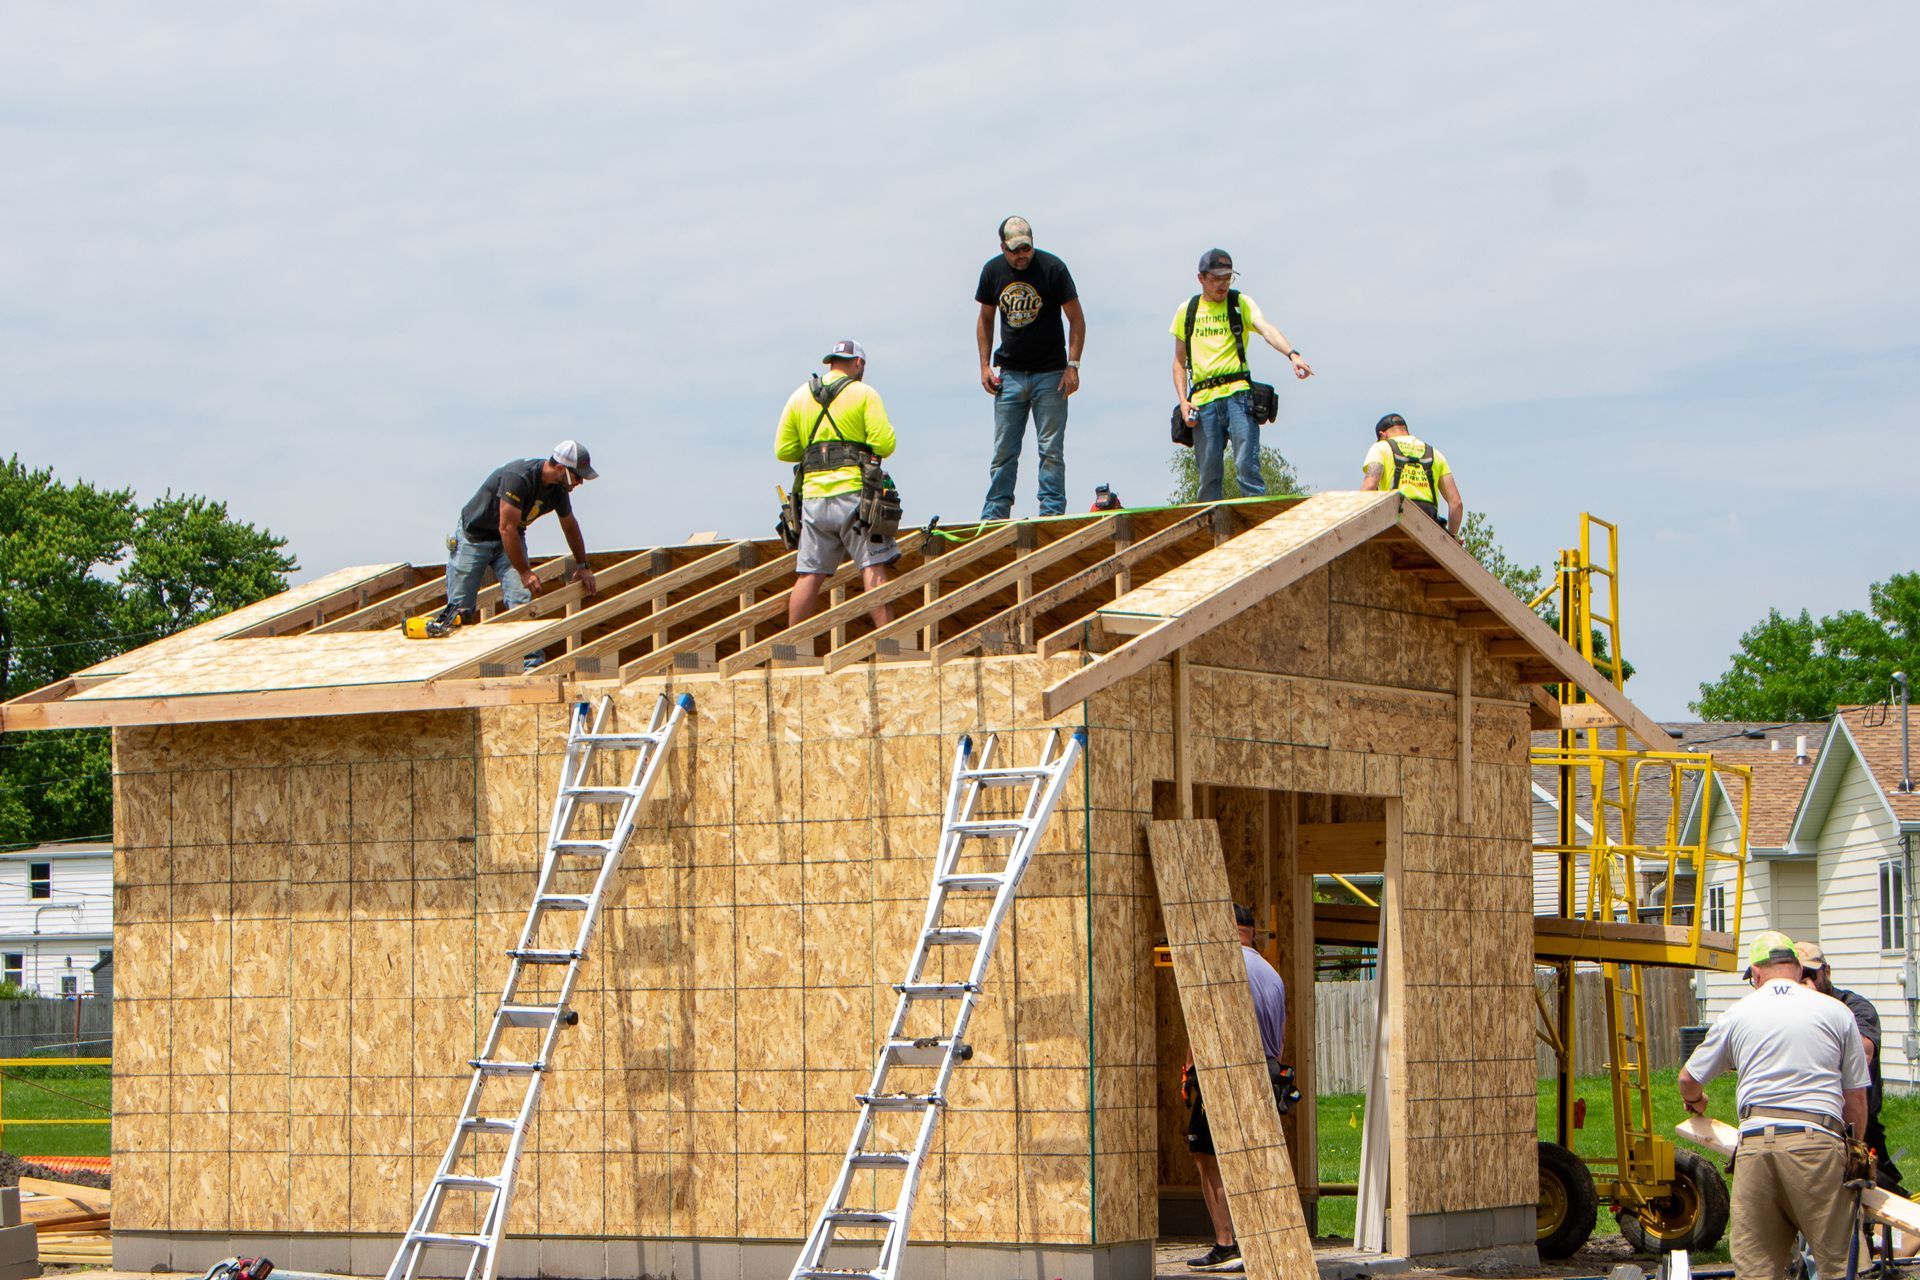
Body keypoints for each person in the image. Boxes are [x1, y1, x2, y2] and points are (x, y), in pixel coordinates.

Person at [1679, 931, 1870, 1280]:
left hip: (1753, 1146)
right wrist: (1855, 1150)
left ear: (1756, 973)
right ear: (1798, 970)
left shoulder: (1737, 1013)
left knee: (1757, 1270)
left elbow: (1688, 1080)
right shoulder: (1837, 1012)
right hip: (1816, 1143)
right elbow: (1856, 1097)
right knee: (1840, 1265)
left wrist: (1697, 1101)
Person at [1184, 903, 1288, 1273]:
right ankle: (1259, 1240)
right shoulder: (1272, 973)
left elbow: (1208, 1021)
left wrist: (1193, 1068)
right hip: (1269, 1070)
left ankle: (1227, 1243)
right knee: (1251, 1157)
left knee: (1207, 1157)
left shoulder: (1227, 970)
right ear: (1253, 932)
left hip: (1231, 1072)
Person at [435, 442, 600, 668]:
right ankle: (455, 668)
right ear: (561, 469)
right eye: (578, 476)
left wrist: (583, 565)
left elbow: (569, 526)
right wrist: (524, 571)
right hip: (475, 538)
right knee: (459, 610)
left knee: (521, 601)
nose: (580, 482)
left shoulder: (558, 491)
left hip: (509, 541)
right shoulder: (519, 477)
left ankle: (532, 667)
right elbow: (506, 528)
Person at [1170, 249, 1312, 503]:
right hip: (1202, 401)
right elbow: (1179, 363)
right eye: (1217, 278)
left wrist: (1292, 354)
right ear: (1201, 278)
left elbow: (1266, 329)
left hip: (1237, 394)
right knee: (1209, 474)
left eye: (1227, 278)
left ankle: (1257, 523)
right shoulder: (1187, 311)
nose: (1223, 284)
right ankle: (1209, 526)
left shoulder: (1240, 303)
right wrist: (1183, 401)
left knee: (1247, 465)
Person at [775, 339, 900, 627]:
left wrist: (815, 449)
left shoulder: (799, 396)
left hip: (814, 500)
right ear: (858, 364)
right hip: (855, 497)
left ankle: (792, 651)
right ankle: (890, 647)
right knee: (873, 566)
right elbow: (884, 443)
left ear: (830, 362)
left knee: (810, 574)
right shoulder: (864, 394)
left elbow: (783, 450)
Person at [976, 216, 1085, 520]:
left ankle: (1051, 513)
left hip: (1051, 374)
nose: (1022, 255)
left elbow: (1076, 318)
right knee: (1003, 452)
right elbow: (985, 319)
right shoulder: (993, 271)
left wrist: (1072, 365)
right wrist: (984, 365)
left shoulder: (1052, 268)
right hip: (1009, 374)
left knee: (1050, 450)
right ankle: (995, 515)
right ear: (1003, 248)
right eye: (1015, 250)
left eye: (1026, 248)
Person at [1797, 940, 1904, 1191]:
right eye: (1798, 975)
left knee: (1872, 1202)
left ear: (1827, 971)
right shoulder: (1788, 1010)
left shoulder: (1854, 1007)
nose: (1805, 981)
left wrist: (1817, 1007)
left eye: (1810, 974)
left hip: (1858, 1123)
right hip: (1810, 1122)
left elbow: (1864, 1052)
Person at [1360, 414, 1465, 538]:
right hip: (1429, 527)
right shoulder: (1434, 454)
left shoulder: (1381, 447)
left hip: (1395, 522)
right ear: (1406, 431)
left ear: (1382, 435)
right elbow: (1456, 503)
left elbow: (1369, 487)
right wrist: (1452, 538)